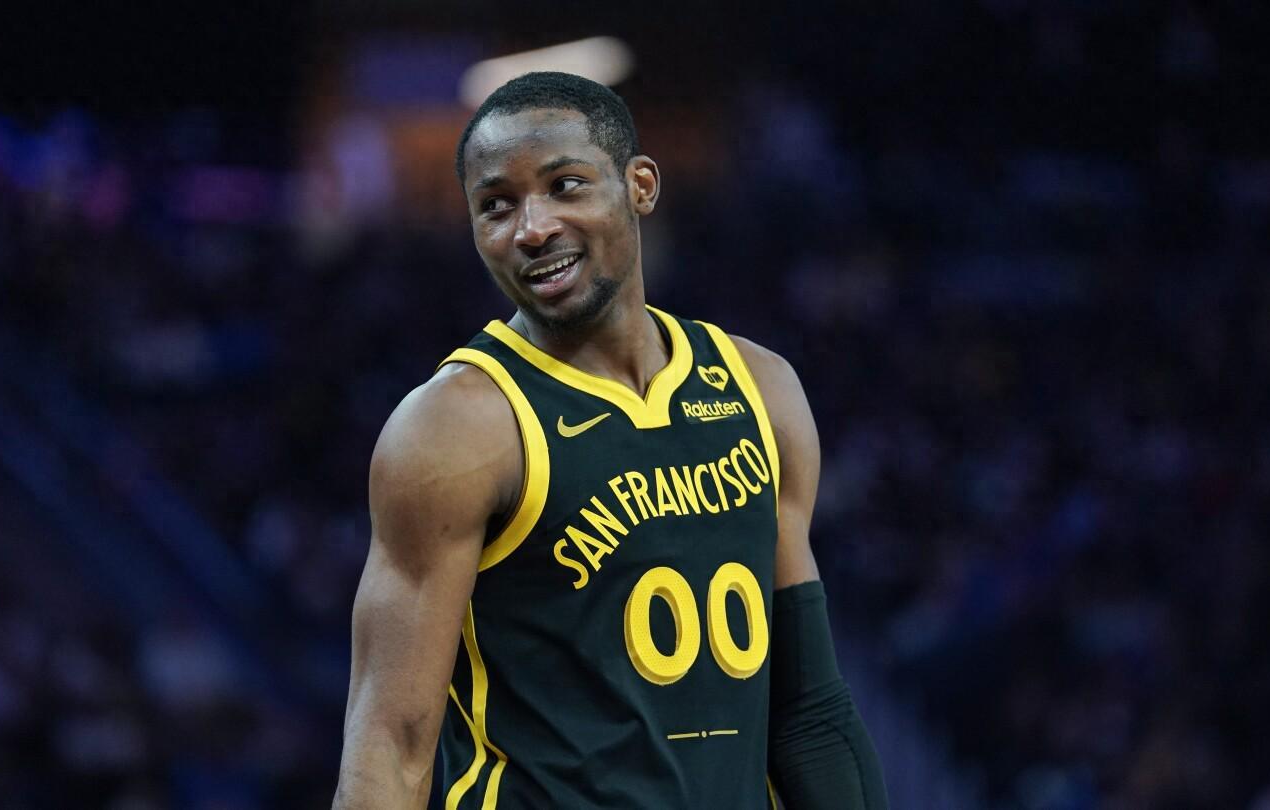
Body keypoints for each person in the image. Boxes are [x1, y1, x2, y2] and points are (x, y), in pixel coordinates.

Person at [332, 71, 888, 810]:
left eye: (565, 186)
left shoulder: (761, 387)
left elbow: (809, 710)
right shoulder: (455, 426)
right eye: (496, 205)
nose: (531, 228)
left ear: (641, 186)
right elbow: (390, 742)